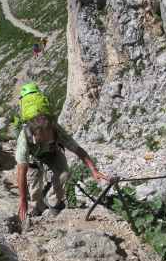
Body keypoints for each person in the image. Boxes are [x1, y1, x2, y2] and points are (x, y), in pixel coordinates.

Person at [15, 83, 109, 221]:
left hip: (53, 152)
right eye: (42, 138)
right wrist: (23, 199)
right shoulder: (24, 137)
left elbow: (78, 150)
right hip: (33, 159)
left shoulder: (56, 129)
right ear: (34, 135)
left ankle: (54, 205)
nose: (45, 139)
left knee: (64, 175)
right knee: (34, 191)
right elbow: (21, 172)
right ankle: (38, 208)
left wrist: (94, 170)